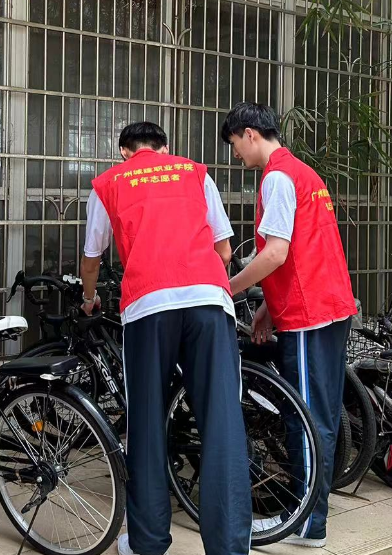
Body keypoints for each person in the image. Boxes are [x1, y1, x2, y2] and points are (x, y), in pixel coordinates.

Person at [80, 122, 252, 555]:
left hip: (149, 305)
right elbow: (225, 250)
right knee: (222, 421)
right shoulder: (196, 172)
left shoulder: (108, 183)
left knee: (146, 421)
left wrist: (89, 299)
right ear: (166, 148)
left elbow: (92, 259)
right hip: (209, 301)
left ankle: (148, 542)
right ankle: (230, 547)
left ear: (124, 151)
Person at [222, 102, 357, 548]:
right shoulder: (305, 173)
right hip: (331, 306)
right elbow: (302, 249)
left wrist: (228, 288)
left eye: (234, 144)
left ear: (250, 133)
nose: (235, 154)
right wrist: (267, 306)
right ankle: (310, 515)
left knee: (306, 418)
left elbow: (276, 253)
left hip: (308, 313)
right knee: (322, 415)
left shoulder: (277, 177)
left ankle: (306, 523)